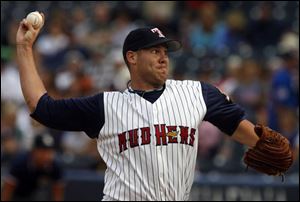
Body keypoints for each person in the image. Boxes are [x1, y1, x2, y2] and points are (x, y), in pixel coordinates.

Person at [15, 12, 288, 201]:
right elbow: (42, 108)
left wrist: (262, 142)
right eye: (155, 51)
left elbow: (241, 129)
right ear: (131, 57)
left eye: (165, 52)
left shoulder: (196, 93)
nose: (163, 58)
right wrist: (25, 49)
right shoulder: (105, 106)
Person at [1, 133, 64, 201]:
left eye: (49, 152)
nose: (46, 156)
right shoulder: (20, 163)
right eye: (43, 151)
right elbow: (7, 191)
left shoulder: (55, 166)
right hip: (17, 196)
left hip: (39, 196)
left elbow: (58, 193)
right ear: (34, 151)